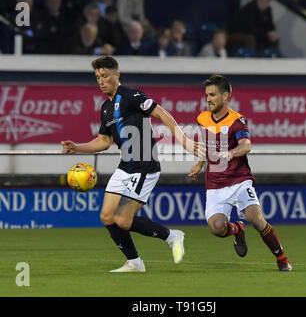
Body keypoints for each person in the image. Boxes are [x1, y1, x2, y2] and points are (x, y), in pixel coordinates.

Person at [61, 56, 203, 273]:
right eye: (97, 77)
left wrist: (183, 139)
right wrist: (77, 148)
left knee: (123, 220)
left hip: (144, 166)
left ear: (116, 75)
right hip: (125, 166)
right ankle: (134, 263)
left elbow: (160, 112)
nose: (101, 81)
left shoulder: (130, 95)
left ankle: (172, 236)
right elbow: (104, 141)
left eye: (105, 76)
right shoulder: (106, 108)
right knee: (107, 216)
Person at [188, 74, 292, 272]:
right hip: (215, 184)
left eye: (212, 95)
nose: (208, 99)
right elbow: (204, 143)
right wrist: (199, 164)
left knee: (256, 218)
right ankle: (237, 229)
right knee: (217, 228)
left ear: (225, 96)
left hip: (239, 180)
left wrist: (231, 153)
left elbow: (246, 145)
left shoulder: (237, 120)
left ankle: (282, 258)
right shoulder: (202, 118)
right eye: (207, 95)